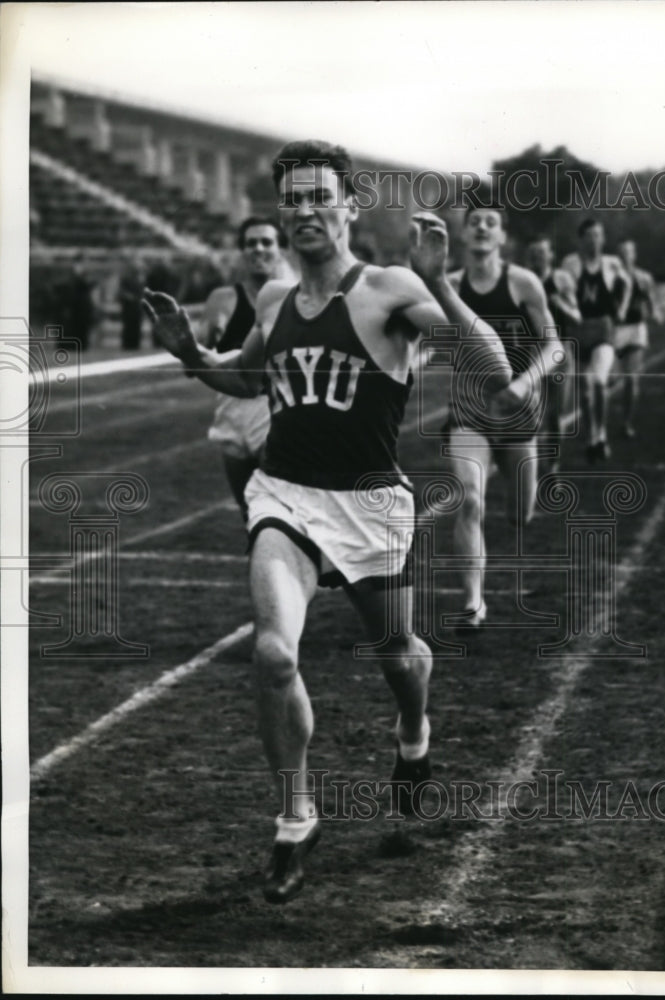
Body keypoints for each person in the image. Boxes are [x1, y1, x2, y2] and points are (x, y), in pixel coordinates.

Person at [142, 139, 513, 905]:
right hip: (286, 494)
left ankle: (412, 735)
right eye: (294, 198)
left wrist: (441, 285)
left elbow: (493, 369)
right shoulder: (274, 298)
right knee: (274, 654)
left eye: (321, 197)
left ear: (348, 207)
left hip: (370, 504)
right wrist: (188, 352)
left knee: (398, 656)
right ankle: (294, 817)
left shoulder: (388, 288)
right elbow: (245, 376)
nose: (306, 210)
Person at [444, 208, 562, 629]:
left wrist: (525, 383)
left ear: (503, 236)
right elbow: (431, 338)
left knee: (520, 515)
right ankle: (474, 604)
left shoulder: (522, 282)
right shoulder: (449, 286)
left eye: (491, 222)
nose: (481, 227)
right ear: (462, 233)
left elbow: (554, 348)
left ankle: (514, 505)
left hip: (517, 413)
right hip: (469, 412)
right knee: (470, 500)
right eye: (474, 221)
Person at [198, 217, 296, 520]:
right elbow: (196, 363)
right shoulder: (222, 298)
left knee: (278, 514)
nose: (258, 249)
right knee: (248, 514)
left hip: (274, 409)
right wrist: (195, 342)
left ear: (280, 249)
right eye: (251, 243)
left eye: (267, 242)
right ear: (242, 251)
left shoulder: (295, 296)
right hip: (231, 410)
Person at [561, 219, 630, 462]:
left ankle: (601, 434)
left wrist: (621, 308)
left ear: (603, 238)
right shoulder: (571, 264)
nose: (594, 240)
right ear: (581, 239)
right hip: (579, 329)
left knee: (598, 380)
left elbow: (627, 283)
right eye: (589, 236)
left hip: (603, 328)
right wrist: (570, 308)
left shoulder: (611, 263)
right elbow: (564, 290)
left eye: (598, 235)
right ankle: (593, 437)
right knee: (584, 392)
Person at [526, 237, 581, 472]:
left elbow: (577, 318)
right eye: (534, 253)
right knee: (532, 411)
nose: (538, 257)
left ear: (551, 256)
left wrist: (559, 302)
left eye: (542, 252)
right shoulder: (524, 281)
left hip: (560, 350)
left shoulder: (561, 280)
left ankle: (553, 466)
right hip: (532, 350)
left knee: (555, 414)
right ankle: (530, 467)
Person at [613, 240, 663, 438]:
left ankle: (626, 422)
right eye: (622, 252)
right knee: (609, 379)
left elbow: (651, 300)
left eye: (629, 252)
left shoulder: (644, 277)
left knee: (631, 380)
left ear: (634, 255)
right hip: (617, 330)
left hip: (636, 329)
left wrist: (656, 312)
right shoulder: (613, 278)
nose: (626, 255)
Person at [118, 256, 146, 350]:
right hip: (129, 306)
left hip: (137, 306)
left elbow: (142, 292)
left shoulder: (141, 279)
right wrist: (128, 296)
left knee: (137, 326)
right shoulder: (126, 278)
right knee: (128, 326)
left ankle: (135, 345)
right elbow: (121, 291)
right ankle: (127, 345)